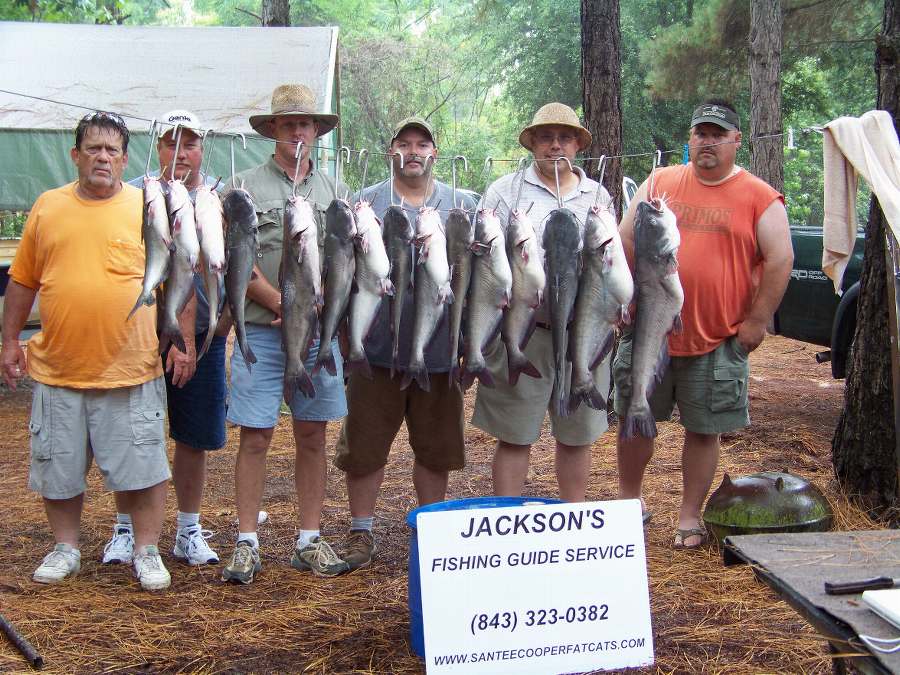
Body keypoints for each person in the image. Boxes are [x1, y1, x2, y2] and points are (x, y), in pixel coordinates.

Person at [0, 112, 172, 590]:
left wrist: (186, 341)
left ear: (124, 159)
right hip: (59, 368)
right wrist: (9, 340)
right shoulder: (48, 207)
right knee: (58, 468)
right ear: (75, 155)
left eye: (112, 150)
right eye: (93, 148)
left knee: (144, 467)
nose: (102, 157)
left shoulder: (147, 207)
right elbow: (22, 281)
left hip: (131, 367)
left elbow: (178, 281)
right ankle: (66, 548)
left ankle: (147, 550)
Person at [613, 99, 793, 549]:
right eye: (700, 133)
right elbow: (625, 236)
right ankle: (627, 504)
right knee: (634, 419)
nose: (707, 142)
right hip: (650, 333)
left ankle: (689, 517)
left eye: (717, 134)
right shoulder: (661, 183)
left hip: (717, 337)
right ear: (689, 139)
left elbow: (781, 259)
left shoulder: (759, 196)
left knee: (704, 429)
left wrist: (757, 320)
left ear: (736, 140)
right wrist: (626, 297)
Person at [334, 117, 476, 570]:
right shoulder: (365, 203)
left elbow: (479, 281)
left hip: (439, 353)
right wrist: (345, 335)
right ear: (390, 151)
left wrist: (469, 342)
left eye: (422, 144)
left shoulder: (462, 206)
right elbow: (344, 272)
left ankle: (431, 530)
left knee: (436, 449)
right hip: (376, 350)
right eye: (403, 143)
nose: (412, 151)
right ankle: (361, 533)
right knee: (364, 446)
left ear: (435, 153)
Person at [221, 84, 349, 583]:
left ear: (317, 131)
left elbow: (346, 262)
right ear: (273, 129)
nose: (298, 131)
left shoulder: (335, 192)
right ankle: (247, 541)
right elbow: (239, 261)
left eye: (307, 123)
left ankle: (309, 539)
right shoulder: (244, 186)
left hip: (318, 336)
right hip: (263, 331)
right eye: (289, 123)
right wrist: (283, 303)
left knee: (312, 436)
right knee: (255, 436)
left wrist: (320, 312)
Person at [101, 110, 227, 568]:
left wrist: (201, 336)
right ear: (158, 149)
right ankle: (124, 529)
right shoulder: (135, 194)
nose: (181, 152)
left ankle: (188, 530)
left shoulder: (218, 197)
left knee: (192, 437)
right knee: (134, 432)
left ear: (202, 150)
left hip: (202, 339)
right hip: (139, 334)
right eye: (171, 143)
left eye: (190, 143)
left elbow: (222, 268)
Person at [471, 103, 614, 503]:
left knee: (577, 437)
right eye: (546, 137)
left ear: (578, 145)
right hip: (525, 331)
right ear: (533, 142)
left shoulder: (597, 196)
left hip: (584, 332)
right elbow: (485, 263)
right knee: (515, 436)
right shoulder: (504, 191)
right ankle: (507, 521)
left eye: (565, 137)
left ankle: (571, 524)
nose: (555, 145)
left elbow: (610, 266)